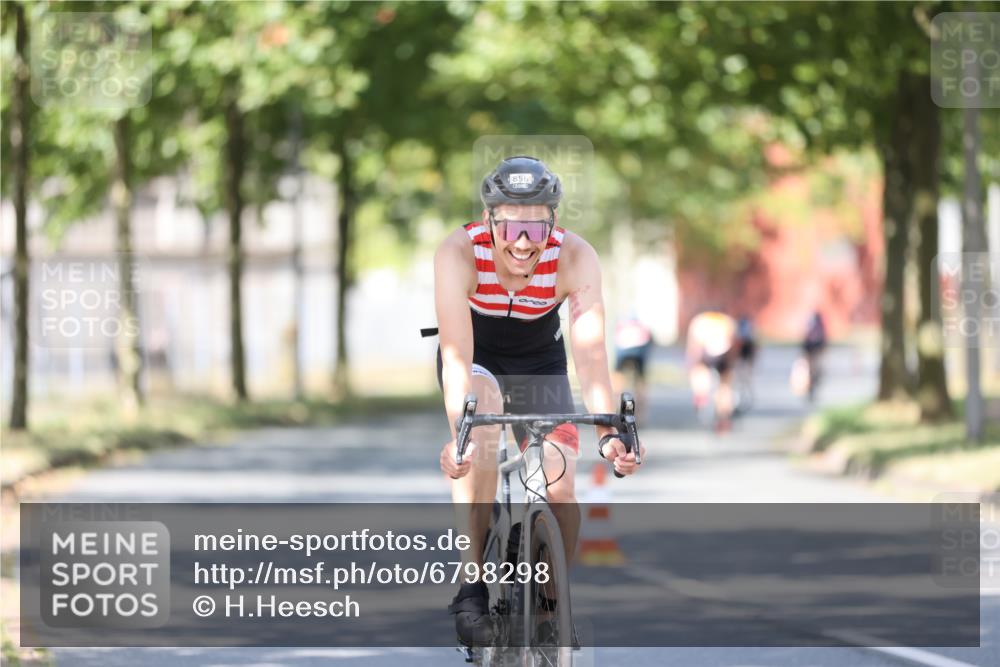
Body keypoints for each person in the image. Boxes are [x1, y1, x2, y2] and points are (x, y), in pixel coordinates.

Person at [431, 155, 645, 647]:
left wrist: (609, 432)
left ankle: (550, 608)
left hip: (539, 362)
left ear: (553, 220)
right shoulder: (458, 252)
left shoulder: (575, 256)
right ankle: (471, 585)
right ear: (489, 221)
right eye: (509, 228)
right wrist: (459, 436)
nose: (524, 243)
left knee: (560, 483)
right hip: (477, 356)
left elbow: (590, 353)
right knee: (481, 432)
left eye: (536, 227)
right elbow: (457, 356)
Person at [685, 309, 738, 432]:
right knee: (725, 386)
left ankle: (701, 395)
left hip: (706, 351)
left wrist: (692, 363)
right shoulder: (726, 320)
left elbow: (693, 346)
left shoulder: (699, 320)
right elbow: (734, 343)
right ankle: (724, 416)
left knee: (699, 371)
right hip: (724, 352)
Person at [612, 312, 653, 419]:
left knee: (618, 378)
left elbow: (616, 341)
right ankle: (640, 413)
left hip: (623, 350)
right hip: (639, 351)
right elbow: (649, 341)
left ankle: (614, 406)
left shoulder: (622, 324)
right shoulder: (642, 325)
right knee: (640, 382)